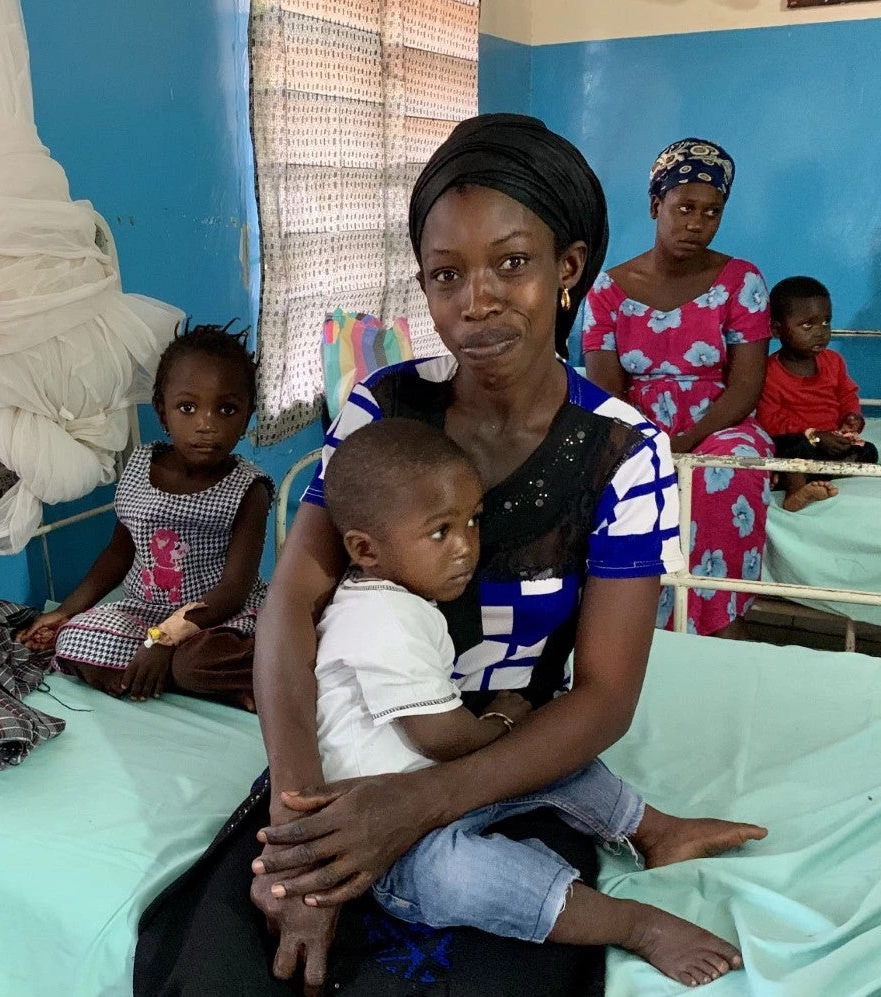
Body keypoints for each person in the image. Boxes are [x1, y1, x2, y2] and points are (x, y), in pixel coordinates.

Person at [135, 115, 765, 996]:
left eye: (513, 262)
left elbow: (606, 695)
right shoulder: (383, 410)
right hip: (351, 760)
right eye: (445, 274)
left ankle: (644, 839)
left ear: (568, 268)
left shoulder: (624, 453)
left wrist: (424, 802)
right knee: (232, 962)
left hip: (509, 753)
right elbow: (290, 603)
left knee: (467, 944)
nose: (476, 300)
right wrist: (297, 814)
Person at [315, 417, 755, 985]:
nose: (466, 548)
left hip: (437, 784)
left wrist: (516, 736)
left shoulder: (397, 598)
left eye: (472, 522)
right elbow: (442, 738)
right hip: (384, 832)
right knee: (462, 878)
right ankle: (634, 925)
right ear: (364, 549)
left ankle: (656, 830)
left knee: (554, 755)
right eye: (439, 533)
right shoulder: (381, 620)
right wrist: (503, 718)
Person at [18, 324, 271, 709]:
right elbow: (119, 554)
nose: (206, 423)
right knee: (73, 637)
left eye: (227, 409)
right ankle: (195, 681)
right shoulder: (140, 466)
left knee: (194, 661)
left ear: (247, 415)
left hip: (216, 619)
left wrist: (166, 639)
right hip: (145, 613)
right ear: (162, 413)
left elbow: (233, 590)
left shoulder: (248, 488)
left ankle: (178, 674)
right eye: (188, 408)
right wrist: (65, 611)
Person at [582, 138, 774, 639]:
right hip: (634, 422)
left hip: (721, 422)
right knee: (600, 475)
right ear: (655, 206)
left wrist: (685, 442)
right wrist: (648, 441)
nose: (697, 223)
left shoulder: (741, 280)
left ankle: (717, 630)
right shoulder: (607, 290)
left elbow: (746, 385)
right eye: (684, 207)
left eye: (712, 212)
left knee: (723, 473)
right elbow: (604, 387)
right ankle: (631, 631)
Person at [758, 276, 879, 511]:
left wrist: (851, 417)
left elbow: (847, 393)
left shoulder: (833, 361)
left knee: (869, 452)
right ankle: (795, 494)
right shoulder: (769, 371)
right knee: (796, 449)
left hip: (831, 440)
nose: (820, 333)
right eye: (807, 325)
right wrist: (814, 435)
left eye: (826, 322)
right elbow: (770, 419)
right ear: (776, 329)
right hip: (797, 439)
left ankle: (807, 476)